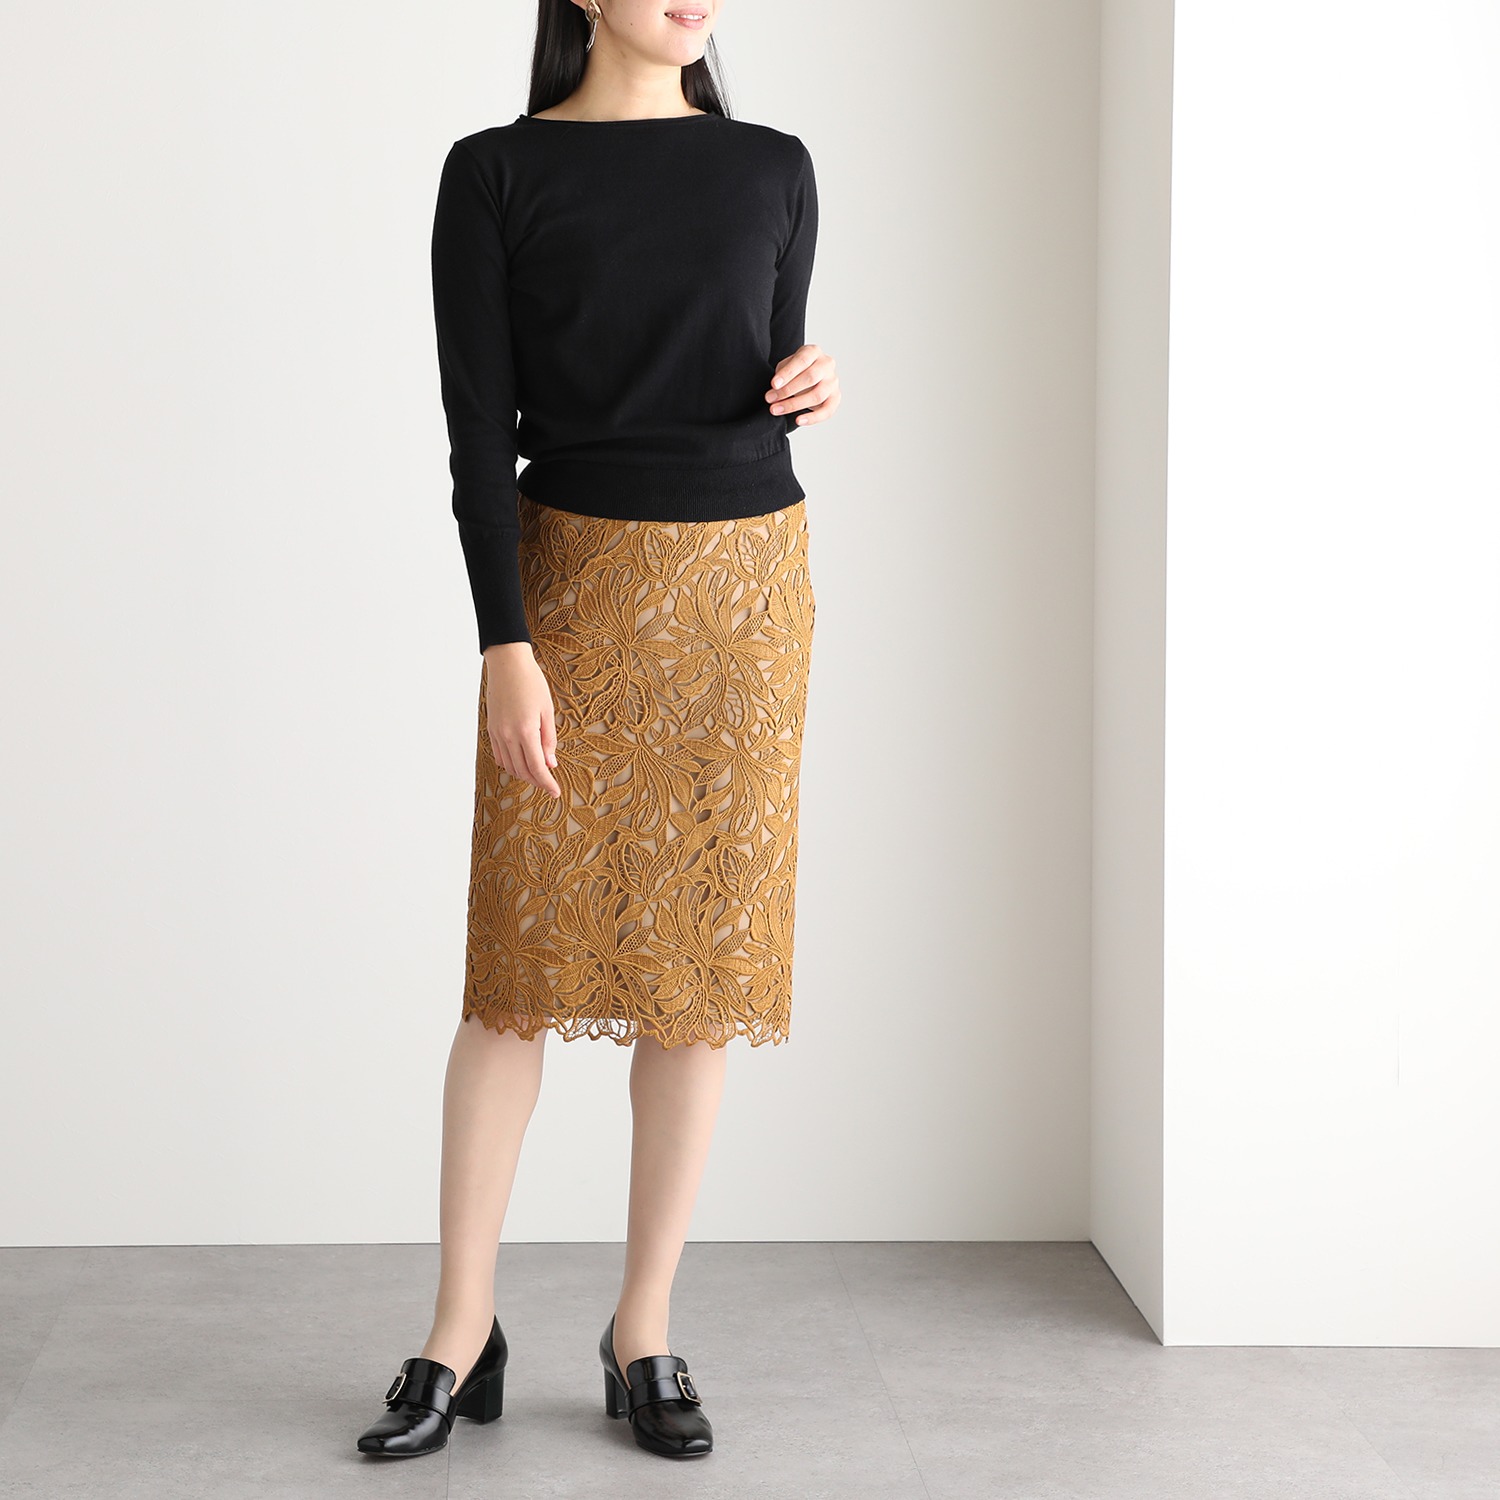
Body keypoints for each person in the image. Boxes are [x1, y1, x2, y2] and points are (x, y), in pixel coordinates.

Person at [357, 0, 839, 1464]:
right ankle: (460, 1328)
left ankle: (644, 1329)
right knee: (515, 974)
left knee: (695, 974)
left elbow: (759, 378)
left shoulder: (773, 166)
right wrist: (504, 641)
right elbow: (477, 434)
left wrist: (810, 382)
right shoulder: (496, 172)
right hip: (568, 596)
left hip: (744, 596)